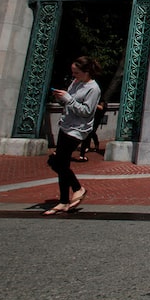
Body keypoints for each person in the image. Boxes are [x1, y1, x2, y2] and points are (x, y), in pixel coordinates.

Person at [43, 56, 102, 216]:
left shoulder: (93, 88)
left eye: (76, 72)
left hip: (77, 130)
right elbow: (69, 103)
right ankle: (63, 200)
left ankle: (77, 189)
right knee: (61, 164)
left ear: (86, 72)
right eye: (73, 72)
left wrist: (68, 99)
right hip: (65, 126)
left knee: (59, 163)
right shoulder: (75, 83)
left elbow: (87, 112)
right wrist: (62, 98)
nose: (73, 75)